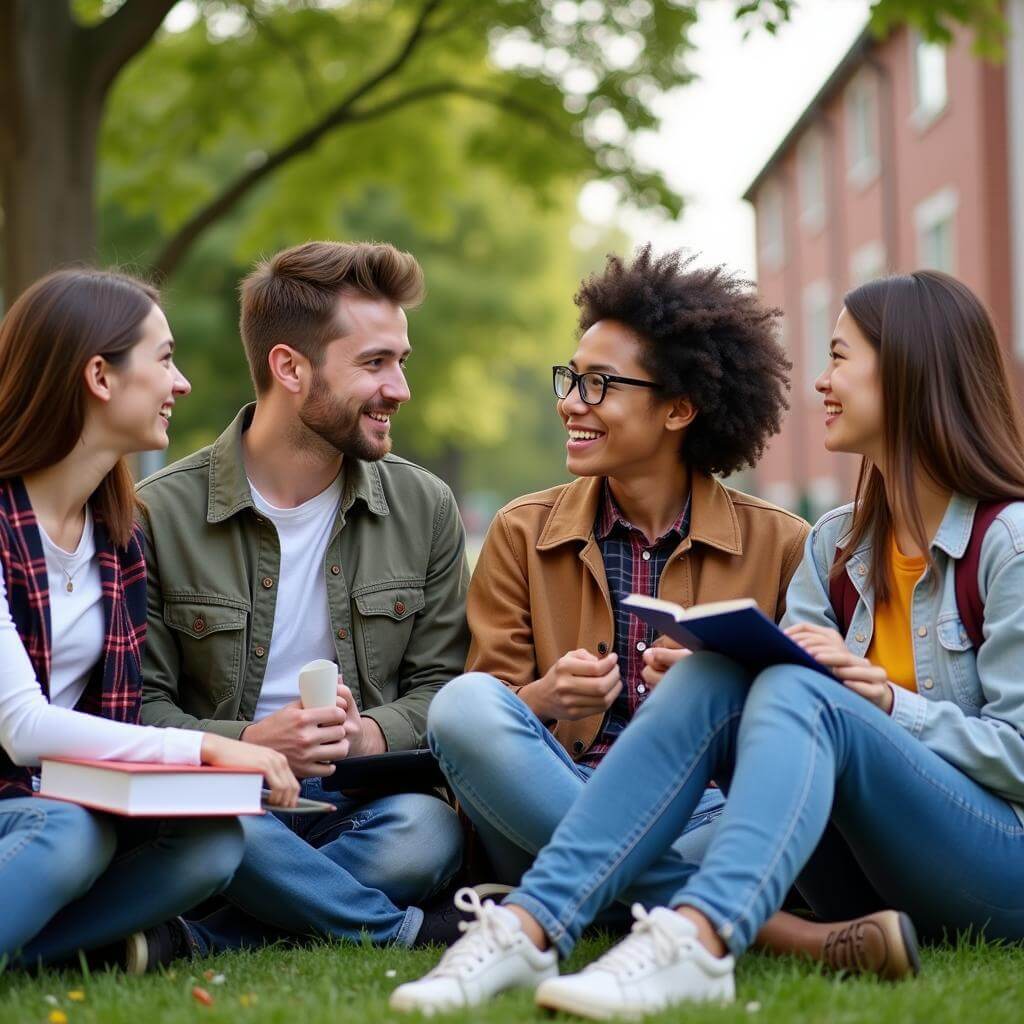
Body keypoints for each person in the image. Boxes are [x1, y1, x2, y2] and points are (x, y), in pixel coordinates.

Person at [392, 268, 1024, 1017]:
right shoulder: (833, 548)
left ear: (914, 370)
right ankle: (531, 927)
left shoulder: (1005, 543)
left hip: (994, 862)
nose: (820, 383)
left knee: (789, 686)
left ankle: (698, 936)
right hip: (850, 869)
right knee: (718, 676)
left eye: (839, 359)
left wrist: (888, 702)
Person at [136, 241, 468, 960]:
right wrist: (249, 745)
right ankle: (397, 929)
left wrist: (366, 737)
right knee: (210, 833)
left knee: (426, 832)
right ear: (290, 367)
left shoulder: (425, 506)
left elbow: (443, 686)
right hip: (222, 802)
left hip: (352, 805)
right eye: (375, 363)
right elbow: (137, 708)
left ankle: (196, 937)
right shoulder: (157, 515)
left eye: (400, 362)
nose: (400, 388)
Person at [0, 269, 297, 972]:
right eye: (164, 359)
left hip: (53, 798)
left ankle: (39, 948)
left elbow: (113, 719)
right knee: (69, 836)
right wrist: (204, 749)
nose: (183, 383)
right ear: (99, 376)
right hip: (34, 806)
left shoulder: (120, 536)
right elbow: (22, 728)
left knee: (211, 841)